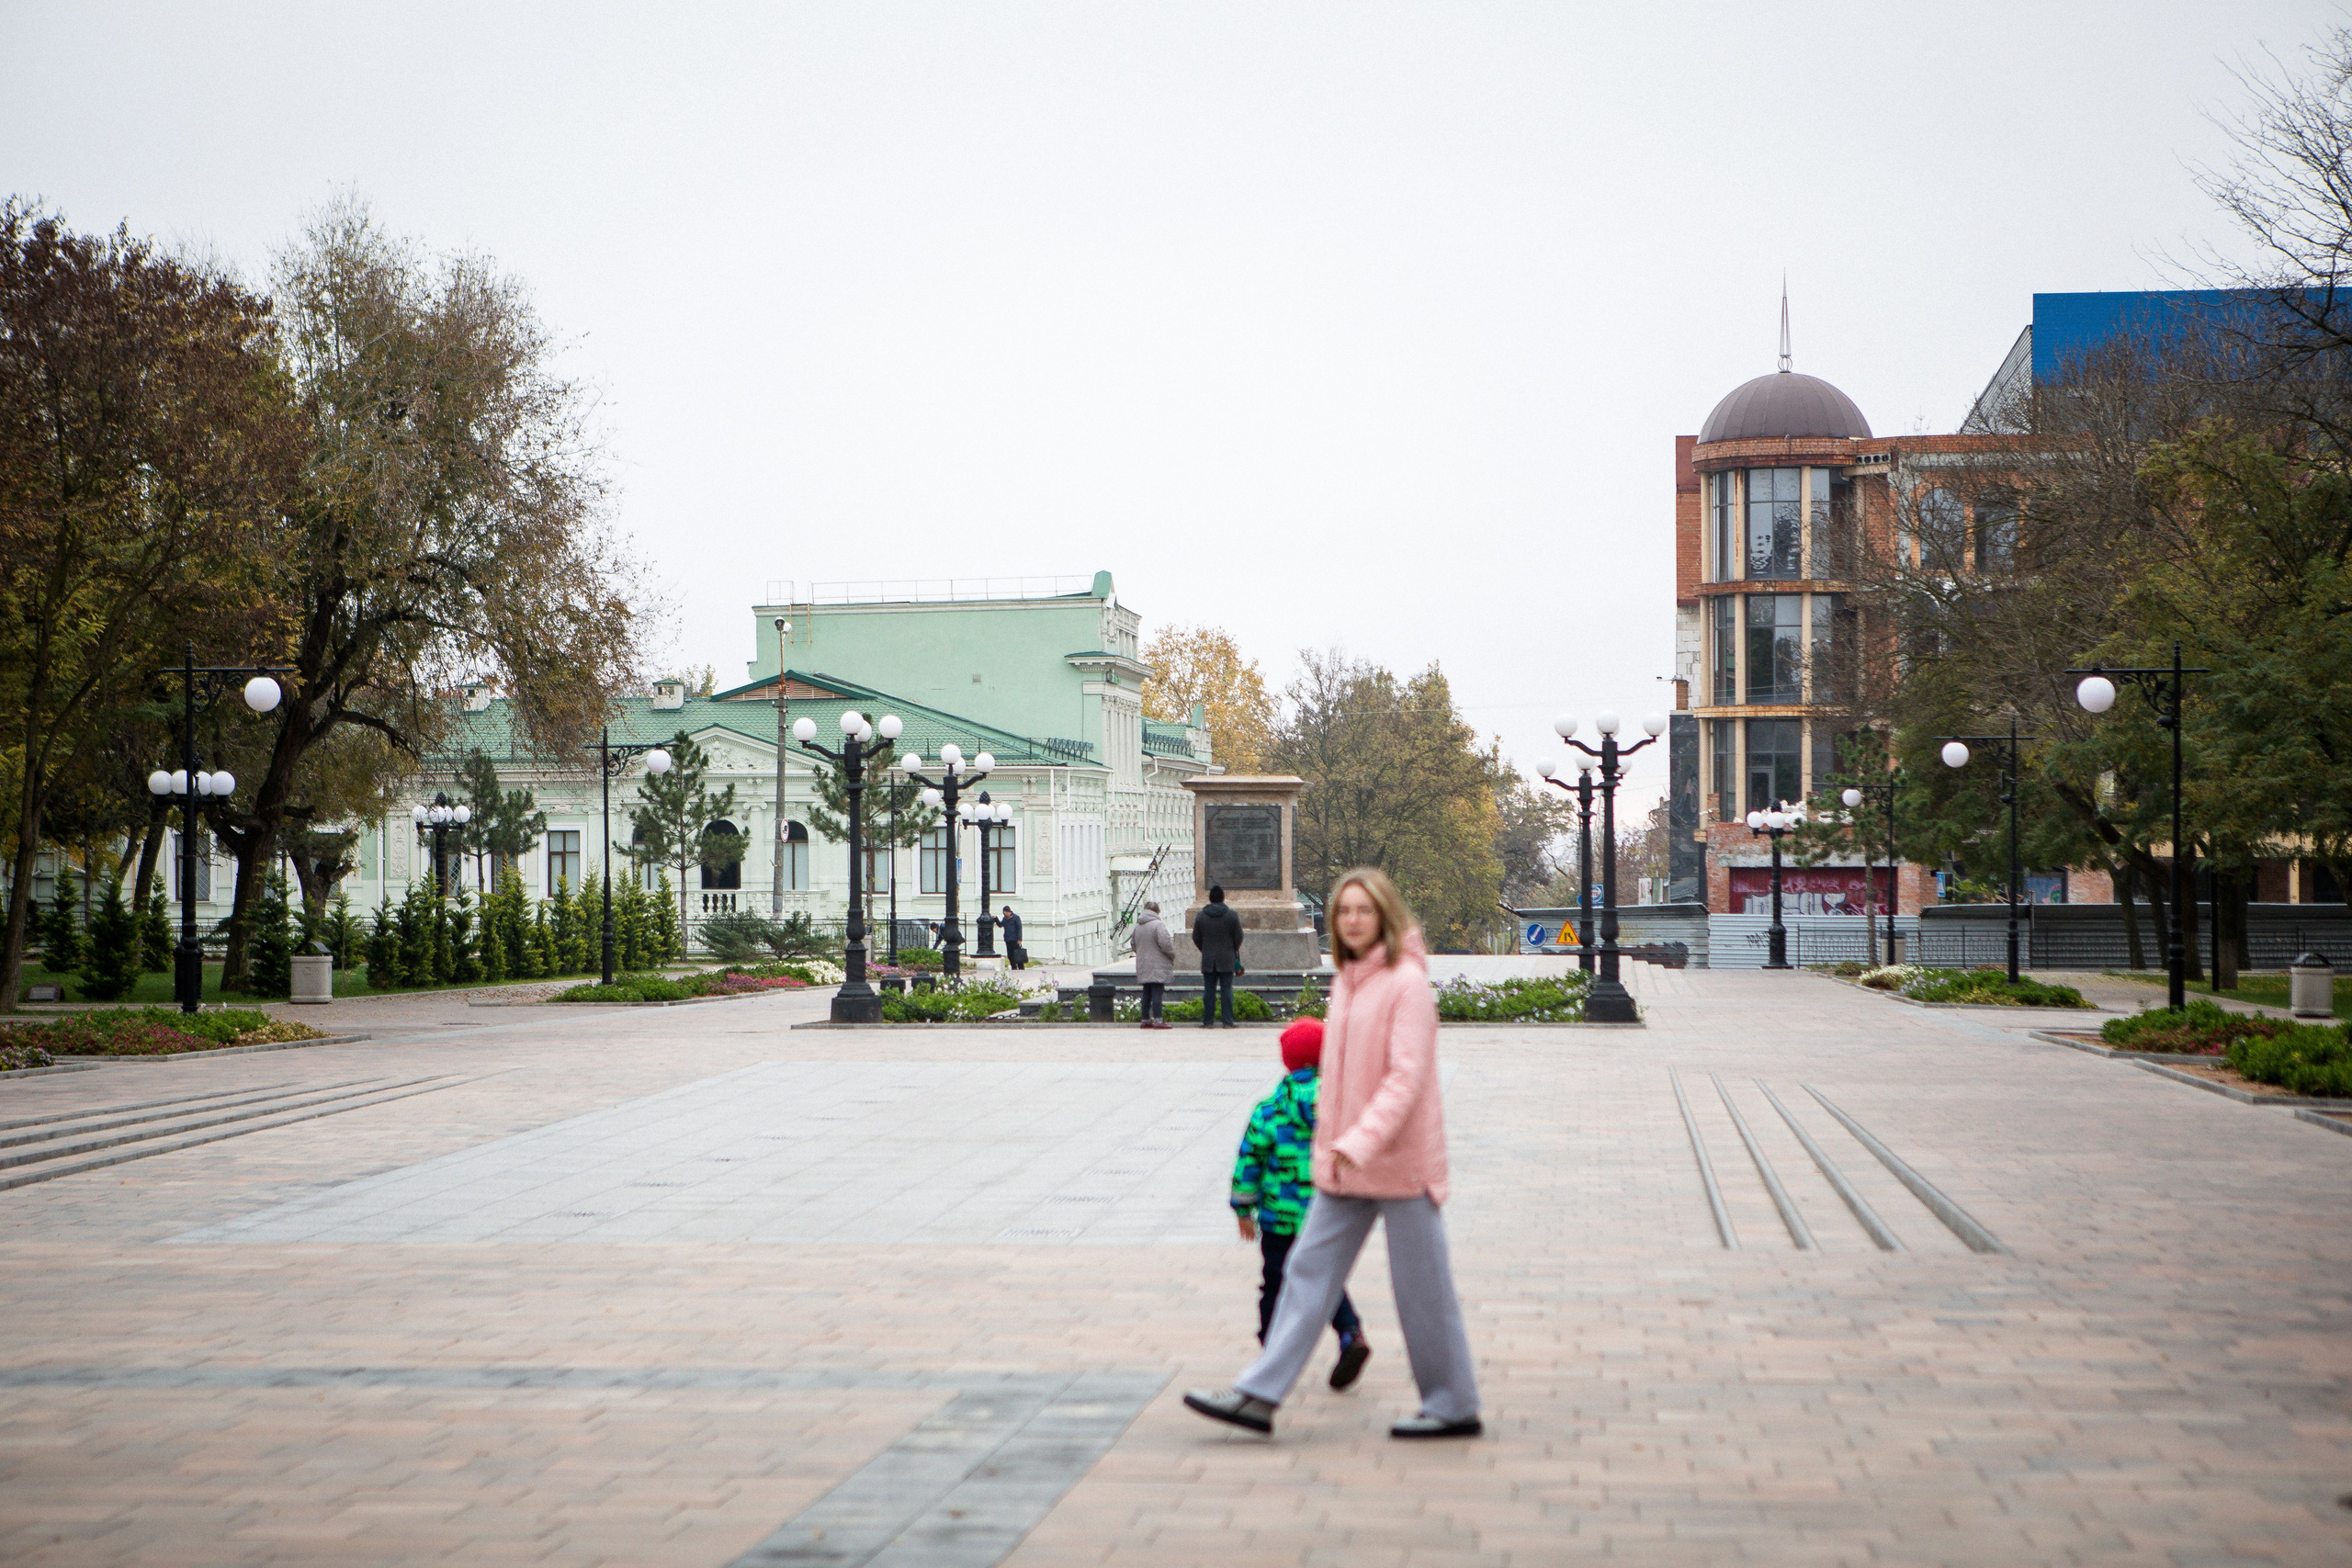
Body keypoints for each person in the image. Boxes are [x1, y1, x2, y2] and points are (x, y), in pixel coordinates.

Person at [1183, 866, 1480, 1441]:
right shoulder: (1350, 979)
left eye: (1363, 910)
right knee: (1306, 1271)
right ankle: (1260, 1394)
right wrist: (1333, 1145)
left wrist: (1359, 1141)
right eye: (1344, 911)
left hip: (1397, 1162)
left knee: (1422, 1287)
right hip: (1344, 1164)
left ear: (1385, 916)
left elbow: (1406, 1077)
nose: (1351, 920)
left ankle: (1453, 1403)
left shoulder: (1406, 984)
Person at [1231, 1016, 1371, 1389]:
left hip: (1279, 1217)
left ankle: (1270, 1349)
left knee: (1276, 1282)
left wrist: (1243, 1208)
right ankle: (1349, 1334)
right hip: (1327, 1211)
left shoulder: (1271, 1108)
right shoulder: (1343, 1105)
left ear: (1287, 1062)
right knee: (1324, 1278)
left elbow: (1249, 1160)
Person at [1192, 883, 1245, 1029]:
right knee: (1227, 991)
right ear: (1223, 898)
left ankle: (1208, 1021)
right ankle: (1228, 1021)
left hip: (1208, 959)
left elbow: (1195, 937)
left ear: (1210, 898)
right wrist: (1231, 949)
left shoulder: (1201, 916)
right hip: (1227, 959)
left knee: (1209, 991)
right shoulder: (1232, 915)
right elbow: (1239, 936)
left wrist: (1205, 949)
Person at [1133, 899, 1176, 1029]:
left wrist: (1142, 954)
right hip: (1158, 964)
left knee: (1146, 992)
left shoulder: (1138, 927)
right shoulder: (1158, 925)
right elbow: (1166, 944)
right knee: (1157, 992)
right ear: (1157, 911)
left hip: (1143, 964)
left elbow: (1133, 945)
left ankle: (1145, 1019)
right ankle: (1158, 1020)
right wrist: (1172, 954)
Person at [1000, 905, 1024, 969]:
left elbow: (1019, 928)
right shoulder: (1004, 919)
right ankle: (1014, 967)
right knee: (1010, 955)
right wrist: (996, 919)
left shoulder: (1016, 918)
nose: (1006, 915)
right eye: (1004, 913)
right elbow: (1001, 925)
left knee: (1017, 954)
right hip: (1008, 939)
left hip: (1015, 939)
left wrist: (1019, 938)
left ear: (1009, 912)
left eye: (1006, 913)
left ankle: (1021, 967)